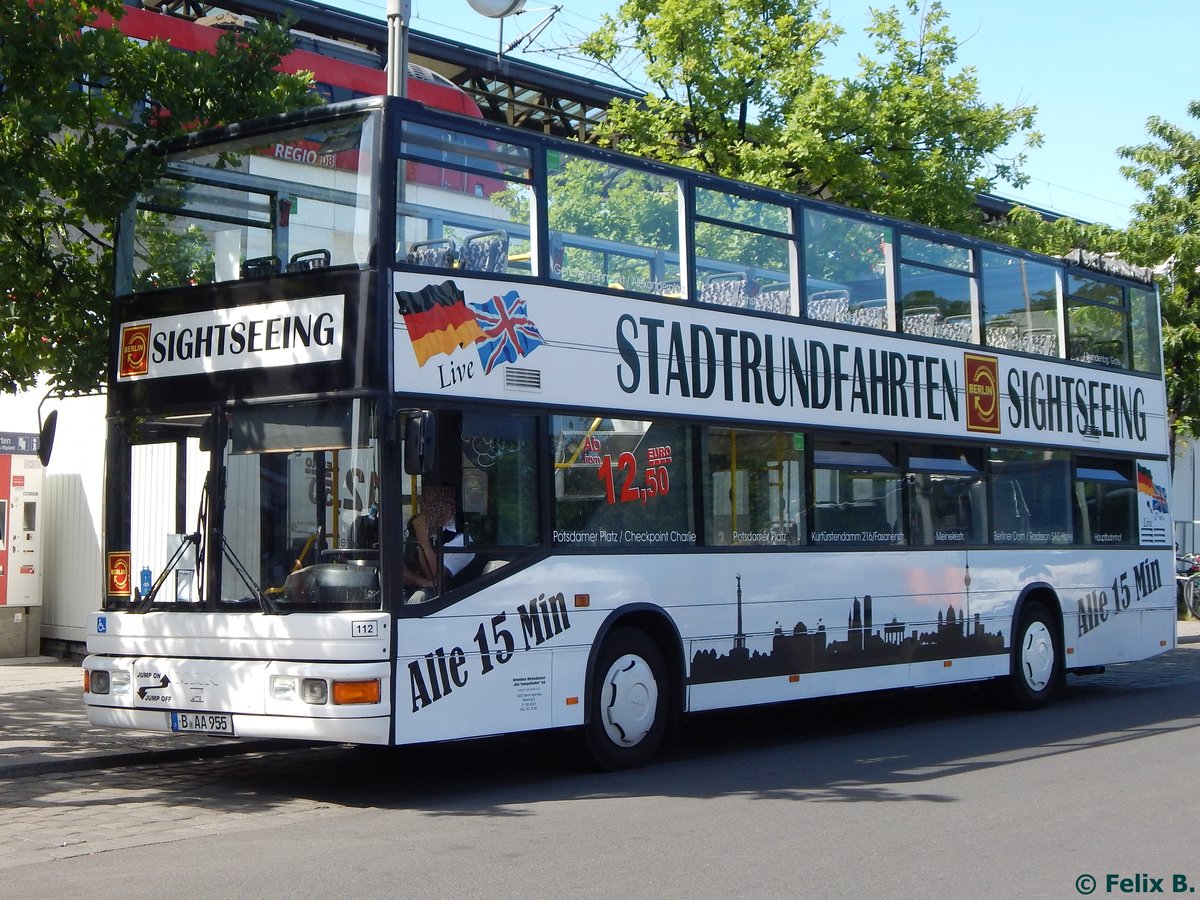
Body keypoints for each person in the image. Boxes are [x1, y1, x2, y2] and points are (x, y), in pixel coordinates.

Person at [403, 484, 473, 594]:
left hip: (448, 601)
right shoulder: (429, 534)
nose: (425, 510)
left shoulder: (462, 540)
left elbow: (433, 572)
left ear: (448, 507)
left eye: (431, 504)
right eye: (424, 503)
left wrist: (422, 535)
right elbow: (396, 567)